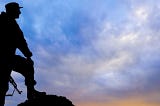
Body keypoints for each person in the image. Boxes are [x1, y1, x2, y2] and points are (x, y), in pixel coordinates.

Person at [0, 2, 46, 106]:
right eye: (18, 10)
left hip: (7, 59)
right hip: (6, 59)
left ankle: (32, 93)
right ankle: (31, 94)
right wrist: (28, 55)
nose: (20, 12)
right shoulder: (11, 24)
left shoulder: (5, 21)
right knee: (28, 66)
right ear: (13, 11)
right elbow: (21, 42)